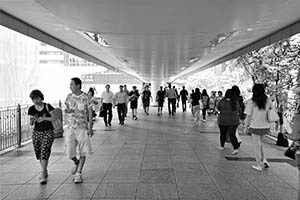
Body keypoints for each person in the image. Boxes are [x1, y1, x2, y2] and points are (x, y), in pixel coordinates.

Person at [64, 77, 93, 183]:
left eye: (72, 84)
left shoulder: (86, 97)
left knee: (83, 150)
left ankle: (79, 173)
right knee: (69, 151)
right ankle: (76, 162)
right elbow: (66, 110)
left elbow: (90, 112)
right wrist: (69, 110)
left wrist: (90, 127)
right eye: (70, 85)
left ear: (78, 85)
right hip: (70, 127)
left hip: (82, 128)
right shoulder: (69, 97)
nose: (70, 86)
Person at [28, 90, 56, 184]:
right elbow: (31, 123)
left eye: (37, 98)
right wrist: (32, 120)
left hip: (48, 131)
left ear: (41, 97)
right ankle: (44, 170)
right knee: (39, 152)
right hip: (36, 132)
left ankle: (43, 173)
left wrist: (44, 118)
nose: (35, 101)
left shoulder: (48, 106)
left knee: (44, 150)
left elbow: (55, 118)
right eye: (33, 99)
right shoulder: (31, 109)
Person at [245, 84, 272, 171]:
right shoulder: (268, 101)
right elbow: (271, 113)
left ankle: (258, 165)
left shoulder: (251, 102)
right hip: (266, 126)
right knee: (260, 144)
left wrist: (246, 126)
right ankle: (264, 160)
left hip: (255, 126)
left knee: (257, 145)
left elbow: (248, 116)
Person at [217, 89, 240, 155]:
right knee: (232, 135)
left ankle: (222, 146)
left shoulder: (222, 101)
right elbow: (238, 109)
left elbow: (218, 108)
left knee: (223, 133)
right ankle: (235, 148)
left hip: (222, 120)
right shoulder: (236, 102)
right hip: (233, 120)